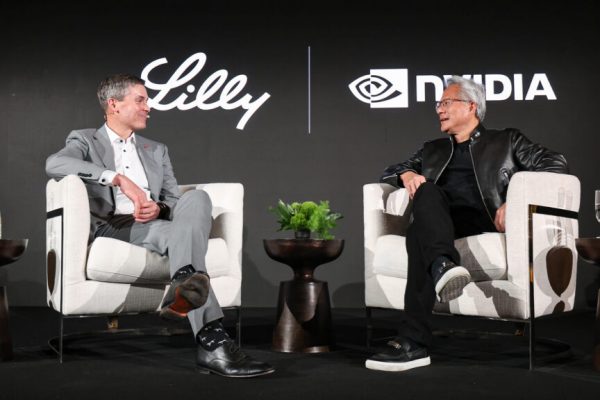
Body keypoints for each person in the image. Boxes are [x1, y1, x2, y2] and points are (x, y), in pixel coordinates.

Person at [46, 74, 274, 378]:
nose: (148, 107)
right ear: (114, 104)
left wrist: (160, 207)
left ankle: (184, 283)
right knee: (181, 235)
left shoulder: (156, 149)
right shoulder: (85, 139)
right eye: (140, 100)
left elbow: (172, 199)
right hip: (118, 226)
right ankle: (214, 343)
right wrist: (117, 178)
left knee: (197, 198)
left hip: (158, 222)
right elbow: (55, 164)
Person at [365, 75, 568, 372]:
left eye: (446, 102)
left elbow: (555, 163)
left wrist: (515, 202)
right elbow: (391, 170)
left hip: (486, 220)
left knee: (418, 233)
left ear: (471, 106)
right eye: (438, 104)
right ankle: (442, 266)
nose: (439, 109)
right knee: (425, 196)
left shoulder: (506, 140)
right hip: (443, 223)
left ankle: (413, 341)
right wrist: (406, 175)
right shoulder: (432, 149)